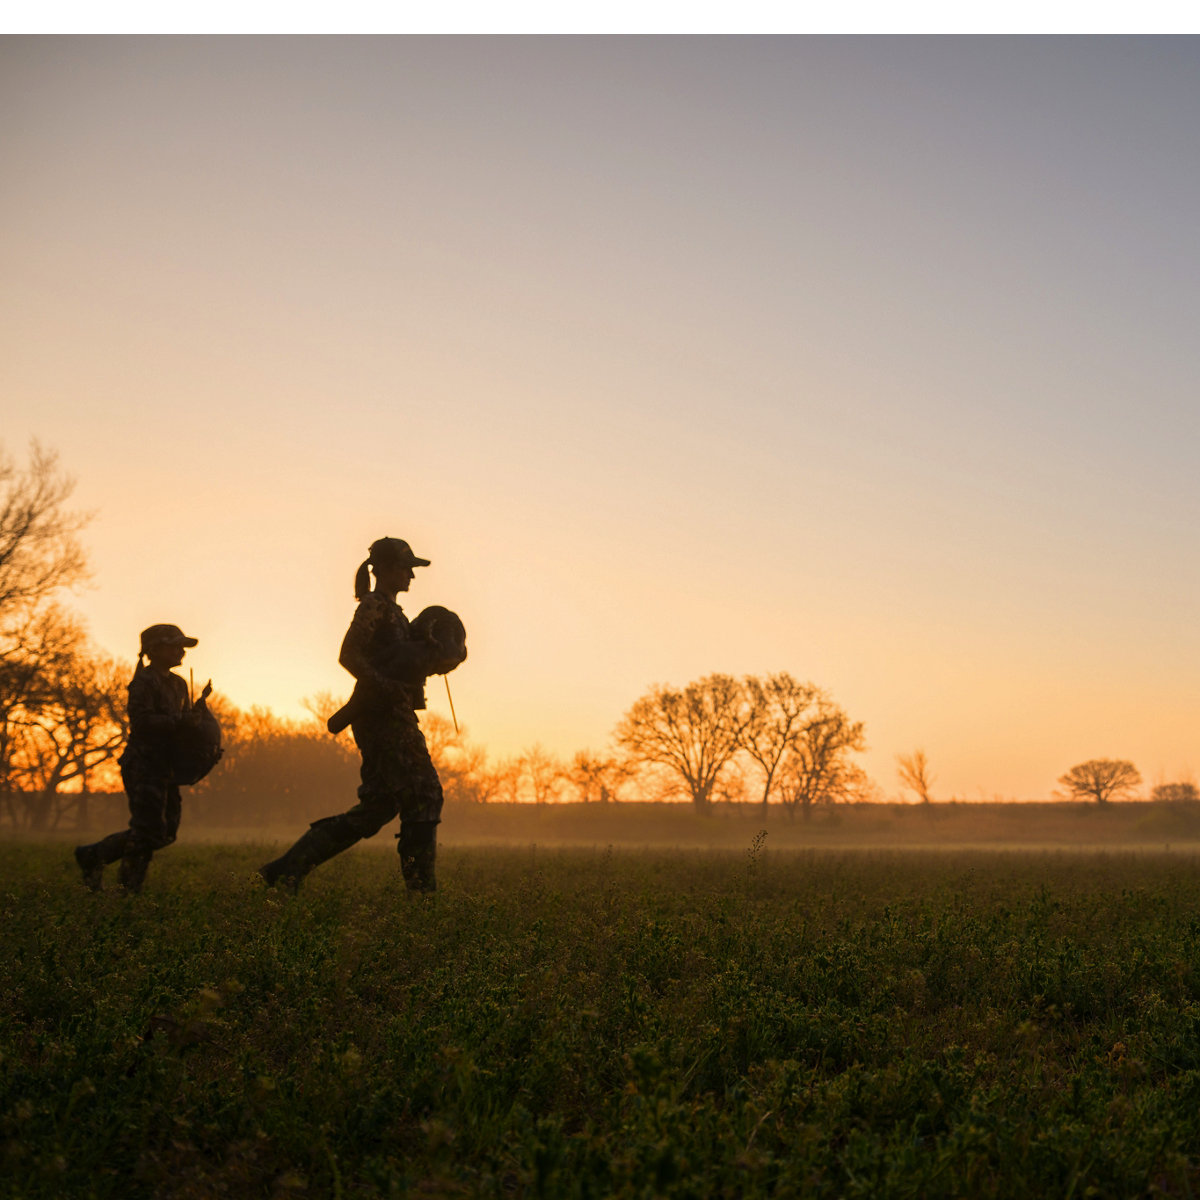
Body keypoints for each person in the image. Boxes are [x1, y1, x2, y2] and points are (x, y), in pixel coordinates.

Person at [259, 537, 454, 893]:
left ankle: (287, 869)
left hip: (390, 713)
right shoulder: (373, 607)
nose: (411, 575)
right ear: (385, 570)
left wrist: (430, 651)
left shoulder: (394, 612)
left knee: (379, 806)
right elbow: (349, 655)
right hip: (382, 716)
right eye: (405, 567)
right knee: (424, 794)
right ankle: (422, 894)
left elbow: (402, 659)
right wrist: (385, 686)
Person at [74, 624, 211, 894]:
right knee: (146, 830)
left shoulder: (178, 684)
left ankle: (93, 856)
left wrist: (197, 723)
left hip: (167, 767)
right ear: (155, 649)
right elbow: (142, 722)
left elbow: (179, 726)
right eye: (175, 646)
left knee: (166, 832)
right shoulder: (144, 682)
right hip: (144, 765)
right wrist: (181, 721)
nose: (181, 652)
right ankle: (128, 890)